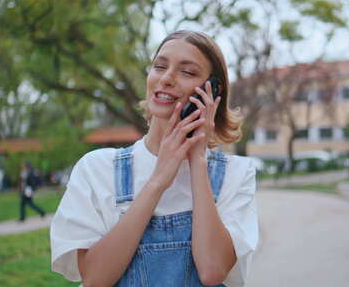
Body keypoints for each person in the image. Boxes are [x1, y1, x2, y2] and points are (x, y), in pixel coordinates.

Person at [50, 30, 259, 287]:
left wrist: (197, 162)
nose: (167, 78)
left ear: (212, 92)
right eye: (160, 66)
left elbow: (212, 270)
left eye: (188, 72)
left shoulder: (236, 174)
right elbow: (95, 278)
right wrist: (158, 180)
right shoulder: (96, 168)